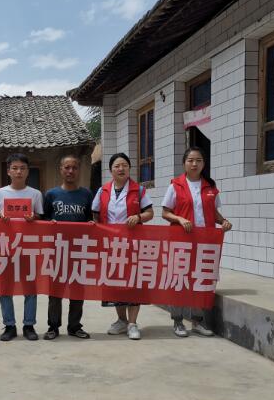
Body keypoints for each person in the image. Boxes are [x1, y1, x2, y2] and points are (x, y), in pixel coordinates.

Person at [161, 146, 232, 337]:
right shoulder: (175, 185)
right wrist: (179, 219)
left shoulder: (210, 187)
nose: (194, 164)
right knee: (179, 279)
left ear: (204, 164)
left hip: (205, 242)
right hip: (181, 241)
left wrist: (223, 222)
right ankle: (177, 321)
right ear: (184, 163)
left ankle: (197, 321)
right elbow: (165, 212)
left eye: (198, 160)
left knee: (201, 279)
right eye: (190, 160)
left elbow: (214, 213)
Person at [91, 152, 153, 341]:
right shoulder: (103, 191)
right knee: (116, 283)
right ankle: (121, 320)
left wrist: (138, 217)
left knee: (134, 283)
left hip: (133, 244)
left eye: (124, 165)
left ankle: (133, 323)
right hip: (110, 245)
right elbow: (95, 214)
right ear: (111, 170)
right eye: (117, 166)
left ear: (129, 168)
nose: (121, 169)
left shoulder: (139, 190)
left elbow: (150, 213)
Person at [0, 153, 44, 341]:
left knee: (30, 288)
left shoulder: (35, 194)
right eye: (15, 168)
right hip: (5, 247)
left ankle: (29, 325)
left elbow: (41, 218)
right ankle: (9, 325)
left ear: (28, 171)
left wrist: (33, 217)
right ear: (8, 171)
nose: (19, 172)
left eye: (22, 168)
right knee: (5, 288)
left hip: (28, 247)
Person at [42, 155, 93, 340]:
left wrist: (91, 224)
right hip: (57, 250)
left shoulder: (86, 194)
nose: (70, 171)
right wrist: (49, 223)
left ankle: (74, 326)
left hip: (79, 250)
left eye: (74, 168)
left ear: (78, 170)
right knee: (55, 292)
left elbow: (91, 220)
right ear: (61, 169)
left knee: (77, 290)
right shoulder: (51, 195)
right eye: (67, 167)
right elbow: (43, 220)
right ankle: (53, 327)